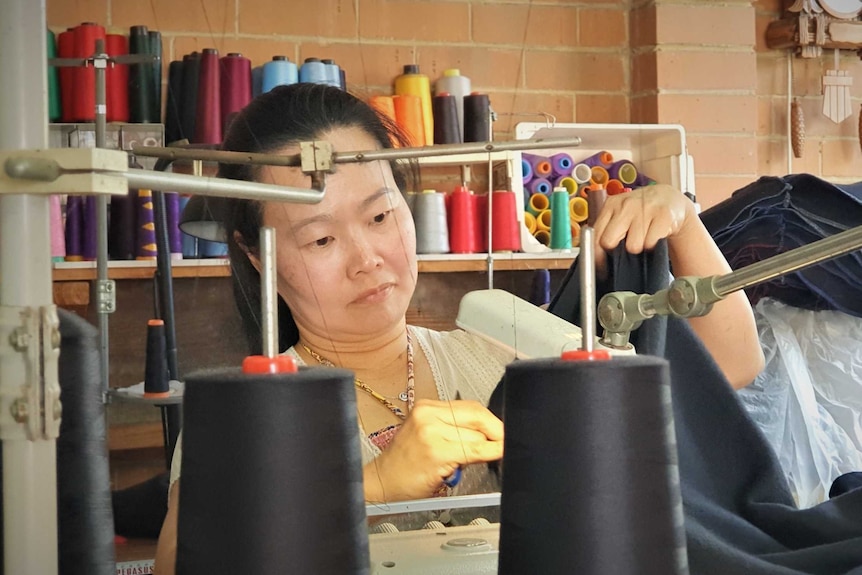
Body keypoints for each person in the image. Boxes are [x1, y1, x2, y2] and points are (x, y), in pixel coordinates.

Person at [153, 83, 763, 574]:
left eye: (381, 214)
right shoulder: (243, 413)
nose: (366, 256)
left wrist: (682, 221)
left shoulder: (502, 353)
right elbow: (179, 561)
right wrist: (373, 484)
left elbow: (731, 367)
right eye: (320, 238)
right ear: (259, 258)